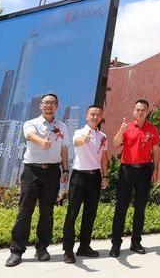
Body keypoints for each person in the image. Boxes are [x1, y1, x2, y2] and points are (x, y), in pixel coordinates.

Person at [5, 93, 69, 267]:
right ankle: (16, 251)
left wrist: (65, 169)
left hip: (53, 172)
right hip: (31, 171)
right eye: (46, 103)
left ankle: (42, 248)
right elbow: (30, 136)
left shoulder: (62, 126)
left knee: (47, 212)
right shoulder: (31, 123)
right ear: (40, 105)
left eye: (52, 103)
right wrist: (42, 142)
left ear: (57, 106)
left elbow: (64, 149)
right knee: (25, 211)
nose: (49, 105)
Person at [109, 99, 160, 257]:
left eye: (143, 110)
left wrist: (156, 169)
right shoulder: (127, 127)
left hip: (144, 171)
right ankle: (116, 244)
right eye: (137, 109)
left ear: (147, 112)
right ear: (133, 111)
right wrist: (120, 130)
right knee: (121, 207)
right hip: (127, 171)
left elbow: (156, 150)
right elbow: (115, 143)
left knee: (140, 207)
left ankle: (136, 242)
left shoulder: (152, 129)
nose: (140, 112)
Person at [62, 104, 110, 264]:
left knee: (90, 214)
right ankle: (68, 250)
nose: (95, 117)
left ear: (101, 117)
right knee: (72, 213)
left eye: (98, 115)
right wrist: (85, 139)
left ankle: (84, 246)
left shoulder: (103, 136)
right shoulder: (79, 132)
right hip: (79, 177)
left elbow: (104, 157)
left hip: (95, 177)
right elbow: (76, 142)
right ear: (86, 116)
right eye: (92, 114)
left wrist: (105, 176)